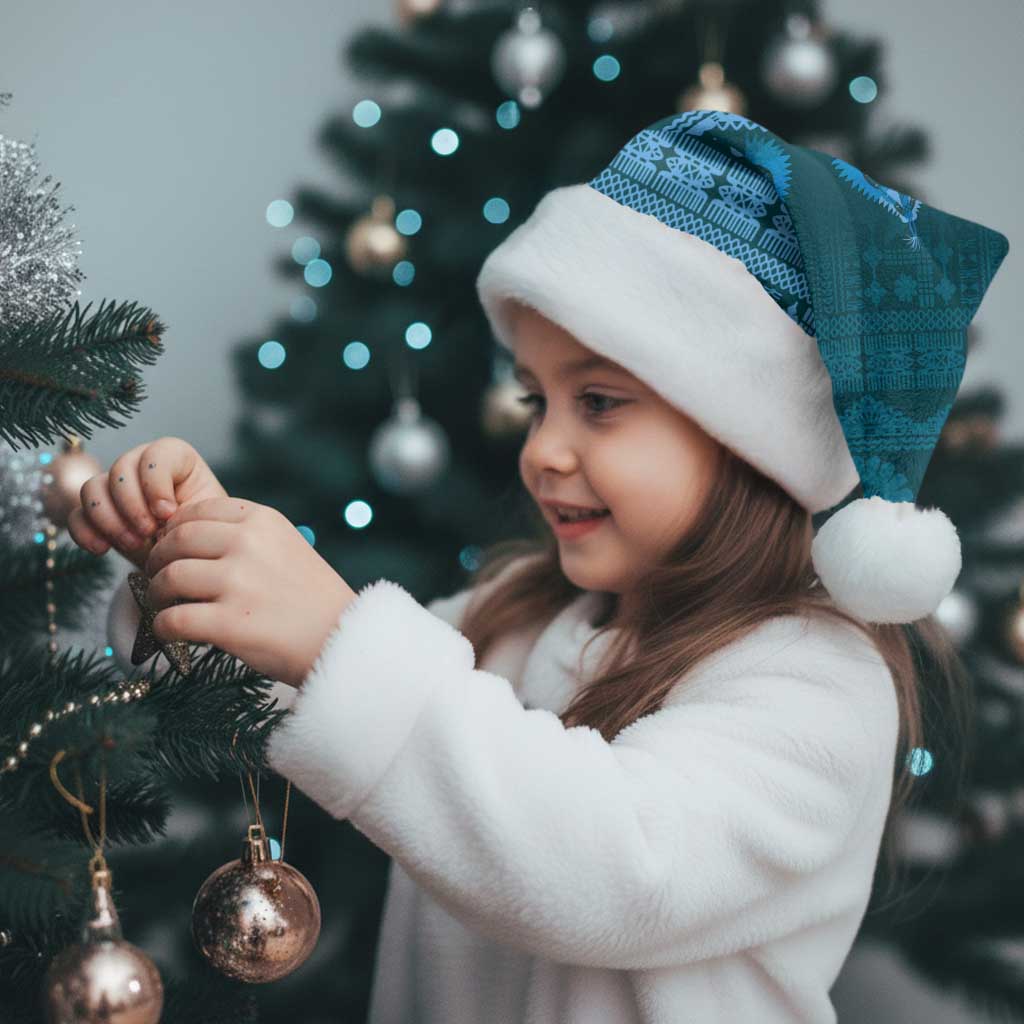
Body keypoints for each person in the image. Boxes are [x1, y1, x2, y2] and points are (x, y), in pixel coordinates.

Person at [73, 109, 1009, 1023]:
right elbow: (308, 692)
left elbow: (615, 870)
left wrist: (334, 636)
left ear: (749, 440)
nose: (543, 450)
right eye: (535, 401)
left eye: (598, 402)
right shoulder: (515, 616)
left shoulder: (819, 683)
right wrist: (190, 566)